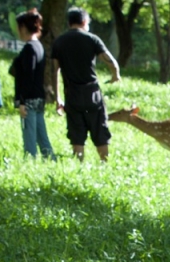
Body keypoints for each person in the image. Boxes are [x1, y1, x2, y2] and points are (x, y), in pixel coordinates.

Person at [51, 6, 120, 162]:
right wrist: (115, 75)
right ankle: (104, 163)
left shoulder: (59, 42)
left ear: (69, 23)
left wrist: (58, 98)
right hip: (92, 94)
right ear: (84, 21)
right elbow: (112, 63)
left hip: (72, 95)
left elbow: (54, 71)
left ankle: (79, 165)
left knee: (76, 134)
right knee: (100, 131)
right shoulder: (92, 39)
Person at [10, 8, 55, 159]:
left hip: (29, 99)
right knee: (41, 136)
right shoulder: (38, 46)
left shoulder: (29, 48)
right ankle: (51, 160)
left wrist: (22, 101)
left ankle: (30, 162)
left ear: (23, 27)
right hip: (38, 97)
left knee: (29, 137)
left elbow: (28, 76)